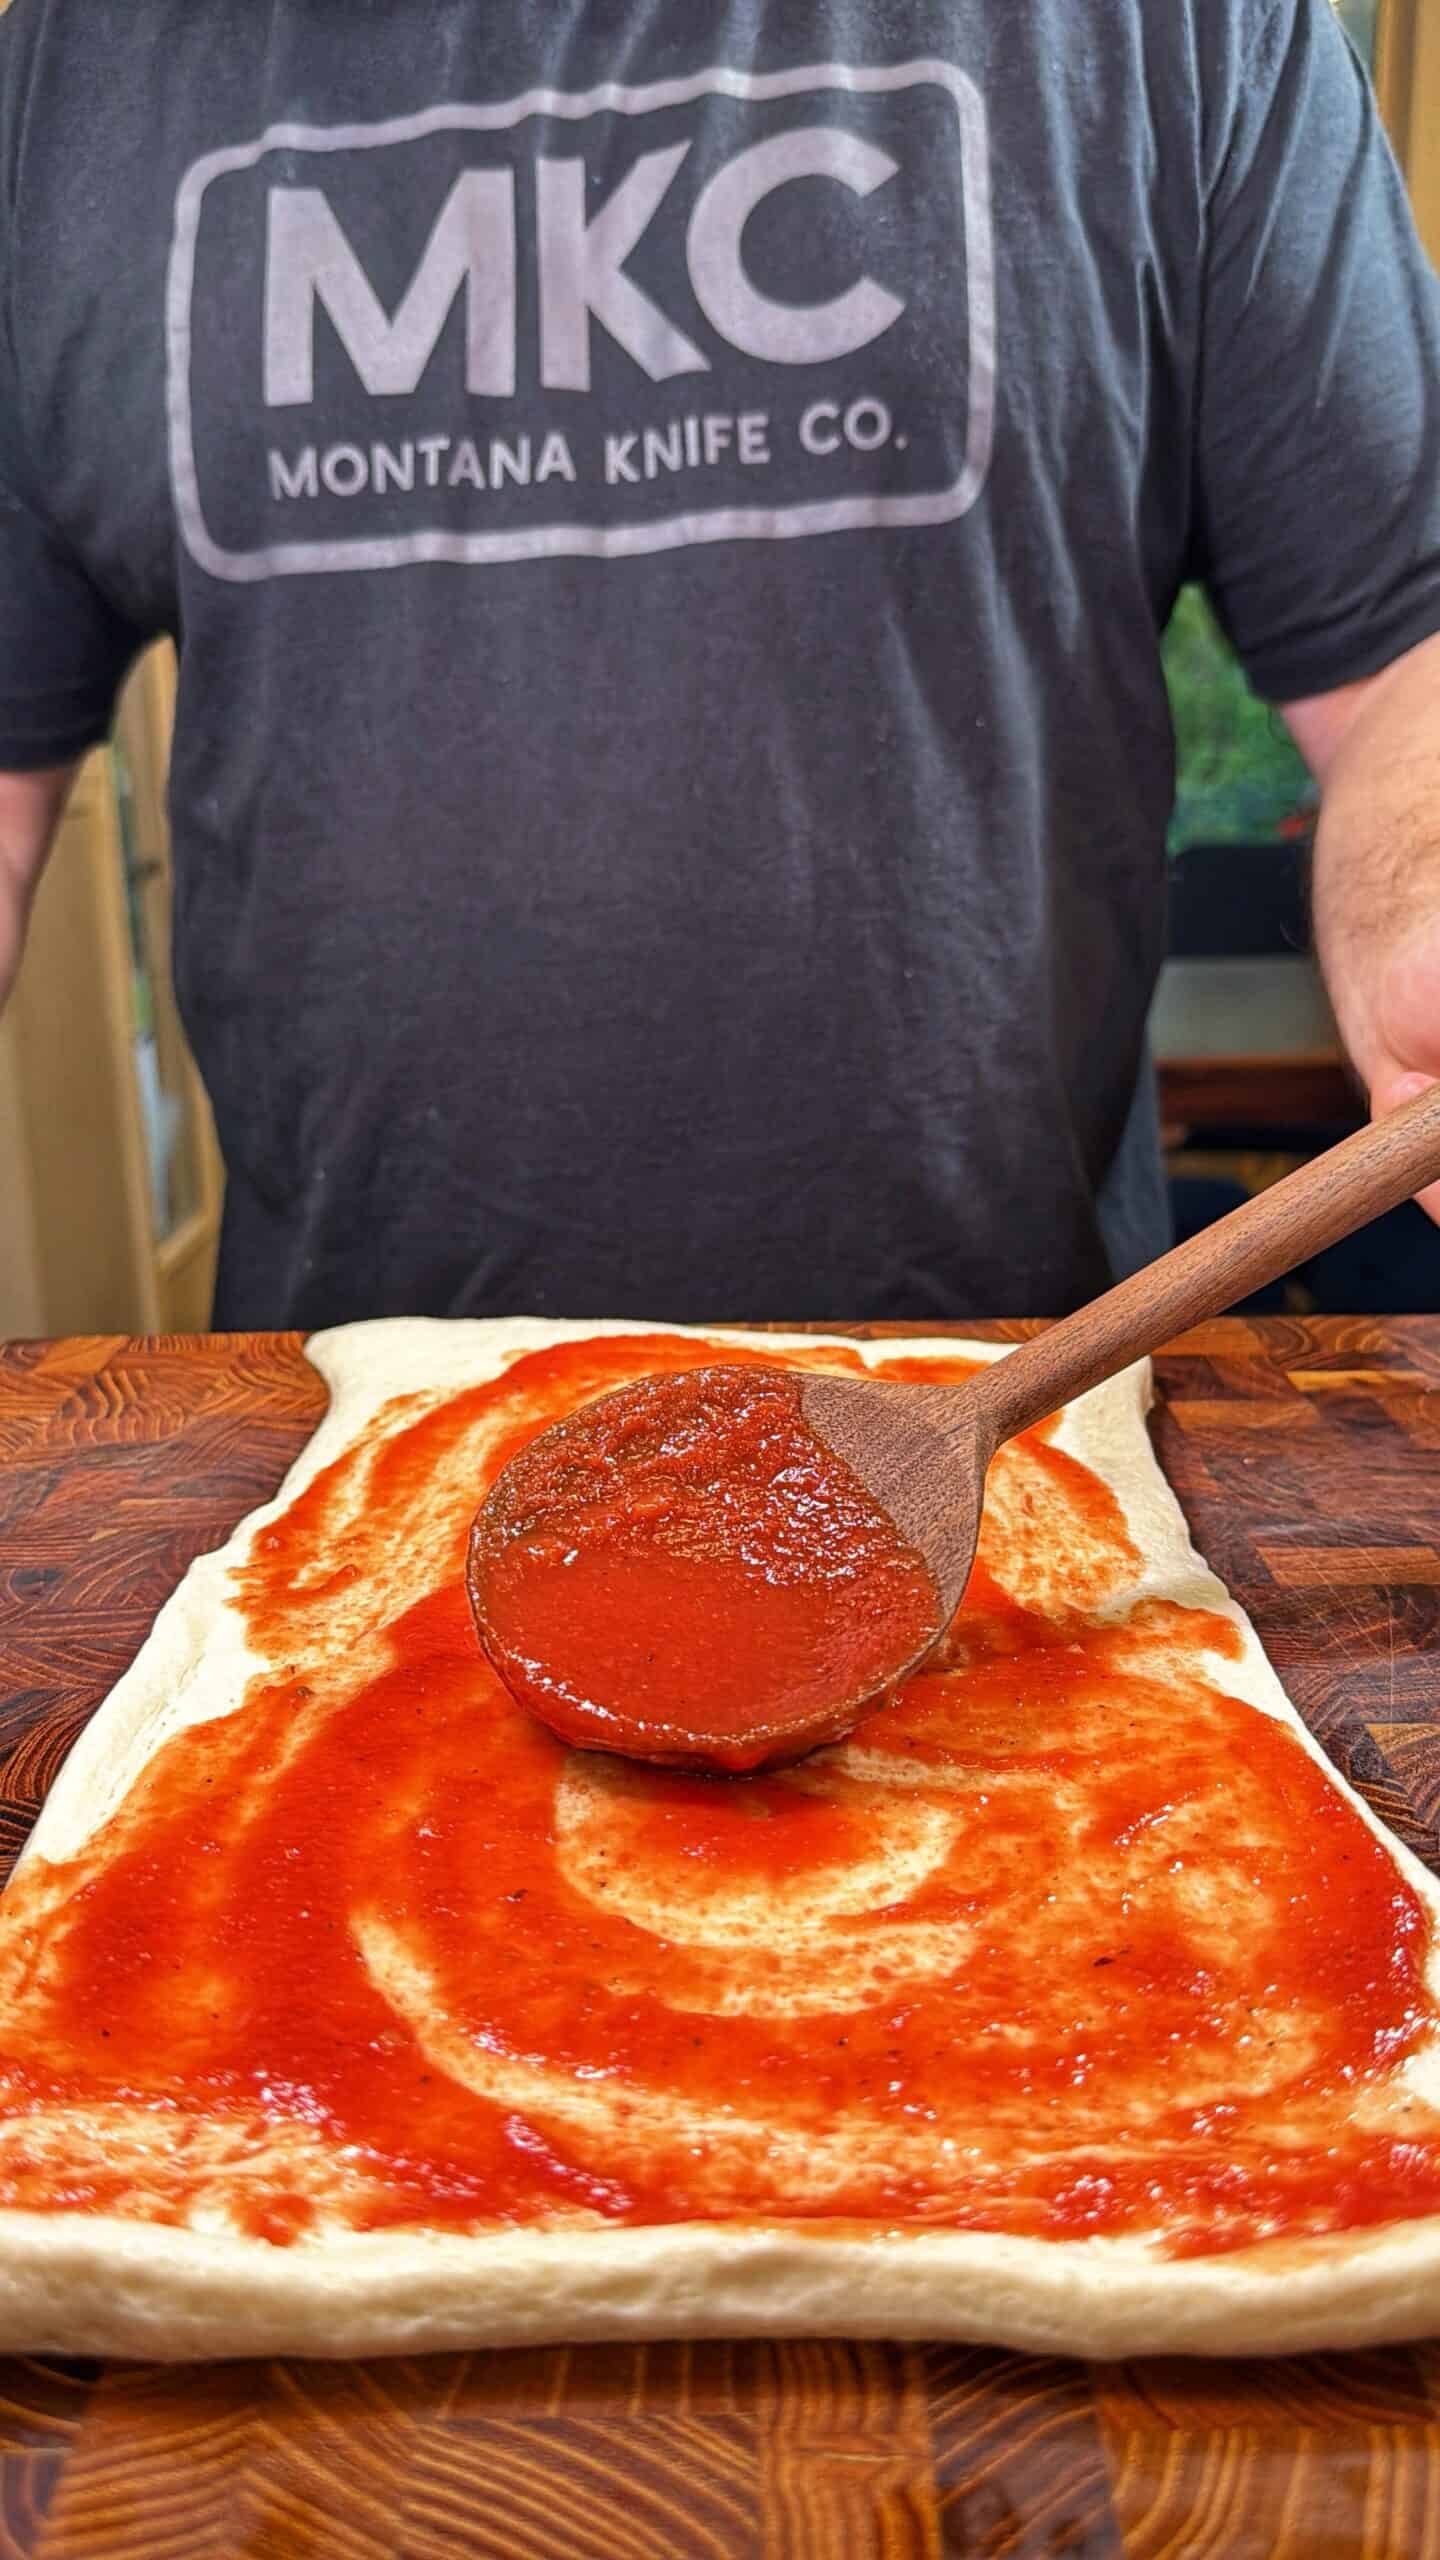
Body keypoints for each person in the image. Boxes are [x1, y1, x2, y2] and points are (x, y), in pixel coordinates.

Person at [1, 0, 1438, 1329]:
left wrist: (1426, 904)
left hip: (1023, 1423)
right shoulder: (60, 78)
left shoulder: (1176, 26)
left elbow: (1401, 654)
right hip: (342, 1460)